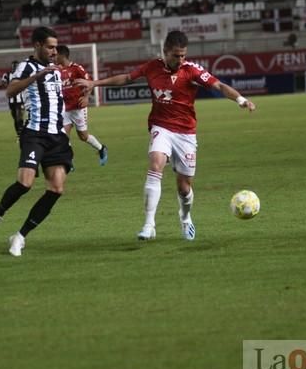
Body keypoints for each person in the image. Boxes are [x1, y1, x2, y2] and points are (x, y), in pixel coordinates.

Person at [74, 30, 256, 241]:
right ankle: (149, 225)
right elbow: (126, 78)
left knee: (184, 186)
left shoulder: (192, 70)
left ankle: (186, 218)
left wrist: (241, 100)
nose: (180, 60)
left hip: (186, 132)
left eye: (183, 55)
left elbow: (219, 85)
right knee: (156, 164)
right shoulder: (152, 67)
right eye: (176, 55)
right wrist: (94, 83)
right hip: (161, 126)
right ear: (165, 52)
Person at [0, 26, 73, 257]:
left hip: (57, 135)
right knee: (25, 183)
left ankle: (20, 236)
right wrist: (36, 76)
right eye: (50, 47)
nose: (54, 51)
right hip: (34, 134)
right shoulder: (27, 66)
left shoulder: (56, 70)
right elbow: (10, 92)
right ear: (38, 45)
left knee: (57, 189)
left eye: (55, 47)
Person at [55, 44, 108, 166]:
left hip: (78, 107)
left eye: (56, 54)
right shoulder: (56, 70)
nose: (54, 57)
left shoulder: (77, 68)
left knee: (83, 136)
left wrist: (86, 97)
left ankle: (101, 148)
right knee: (63, 136)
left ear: (62, 55)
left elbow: (89, 83)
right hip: (64, 109)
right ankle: (69, 160)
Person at [0, 60, 25, 139]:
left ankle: (21, 134)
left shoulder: (22, 74)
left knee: (19, 117)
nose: (15, 67)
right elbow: (2, 83)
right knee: (15, 118)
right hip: (11, 101)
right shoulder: (7, 75)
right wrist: (2, 84)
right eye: (13, 66)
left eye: (16, 66)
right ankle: (18, 133)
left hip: (20, 100)